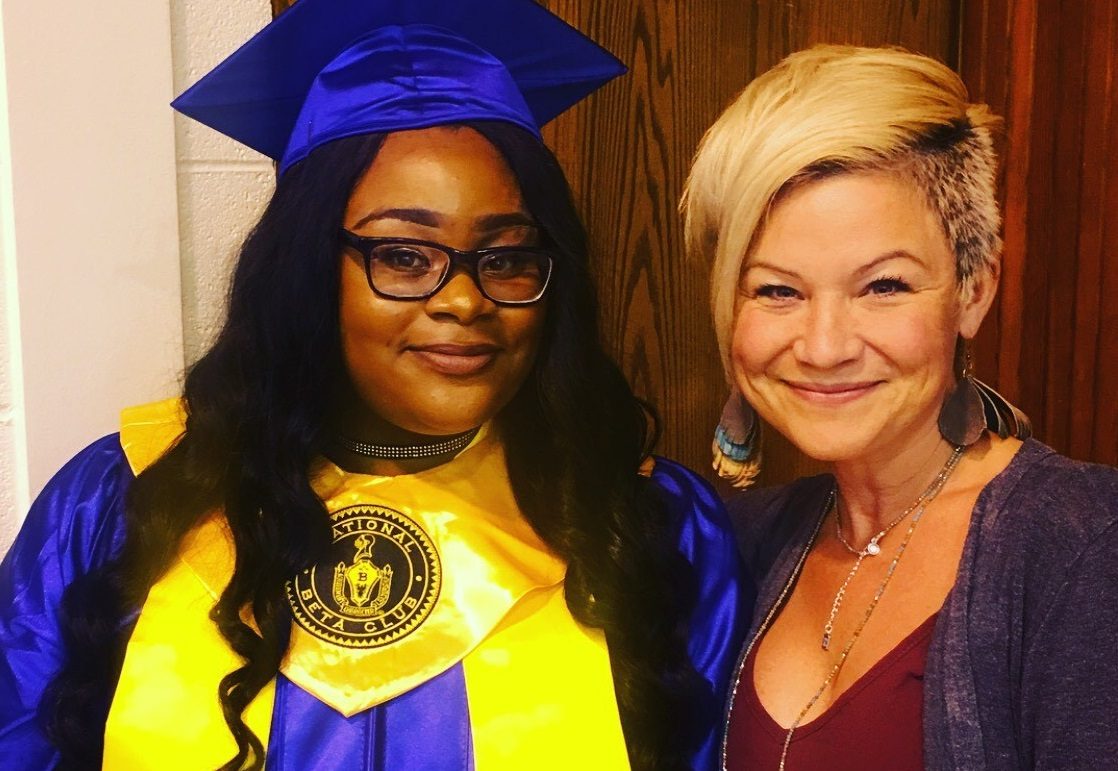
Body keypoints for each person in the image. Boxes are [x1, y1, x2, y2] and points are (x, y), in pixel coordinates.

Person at [0, 1, 748, 769]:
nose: (465, 298)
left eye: (506, 257)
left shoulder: (643, 527)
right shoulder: (122, 502)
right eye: (403, 255)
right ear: (309, 272)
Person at [680, 44, 1118, 770]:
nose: (823, 347)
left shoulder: (1084, 547)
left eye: (883, 286)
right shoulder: (736, 544)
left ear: (973, 290)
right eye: (777, 290)